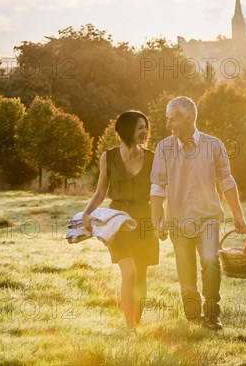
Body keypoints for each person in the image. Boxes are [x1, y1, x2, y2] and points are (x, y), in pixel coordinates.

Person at [150, 96, 246, 331]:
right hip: (178, 221)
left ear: (190, 118)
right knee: (186, 275)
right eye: (168, 119)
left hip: (208, 219)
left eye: (173, 119)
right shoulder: (164, 148)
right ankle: (193, 315)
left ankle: (213, 314)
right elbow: (157, 185)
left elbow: (226, 181)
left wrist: (239, 216)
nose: (169, 124)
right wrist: (156, 220)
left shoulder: (213, 146)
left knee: (210, 260)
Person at [82, 110, 159, 330]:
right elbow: (100, 192)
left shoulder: (153, 158)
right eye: (139, 127)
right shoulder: (109, 156)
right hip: (118, 222)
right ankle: (129, 327)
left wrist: (161, 220)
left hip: (144, 221)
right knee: (129, 271)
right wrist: (87, 212)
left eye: (145, 127)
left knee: (141, 274)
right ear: (125, 130)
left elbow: (159, 193)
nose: (144, 131)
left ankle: (137, 320)